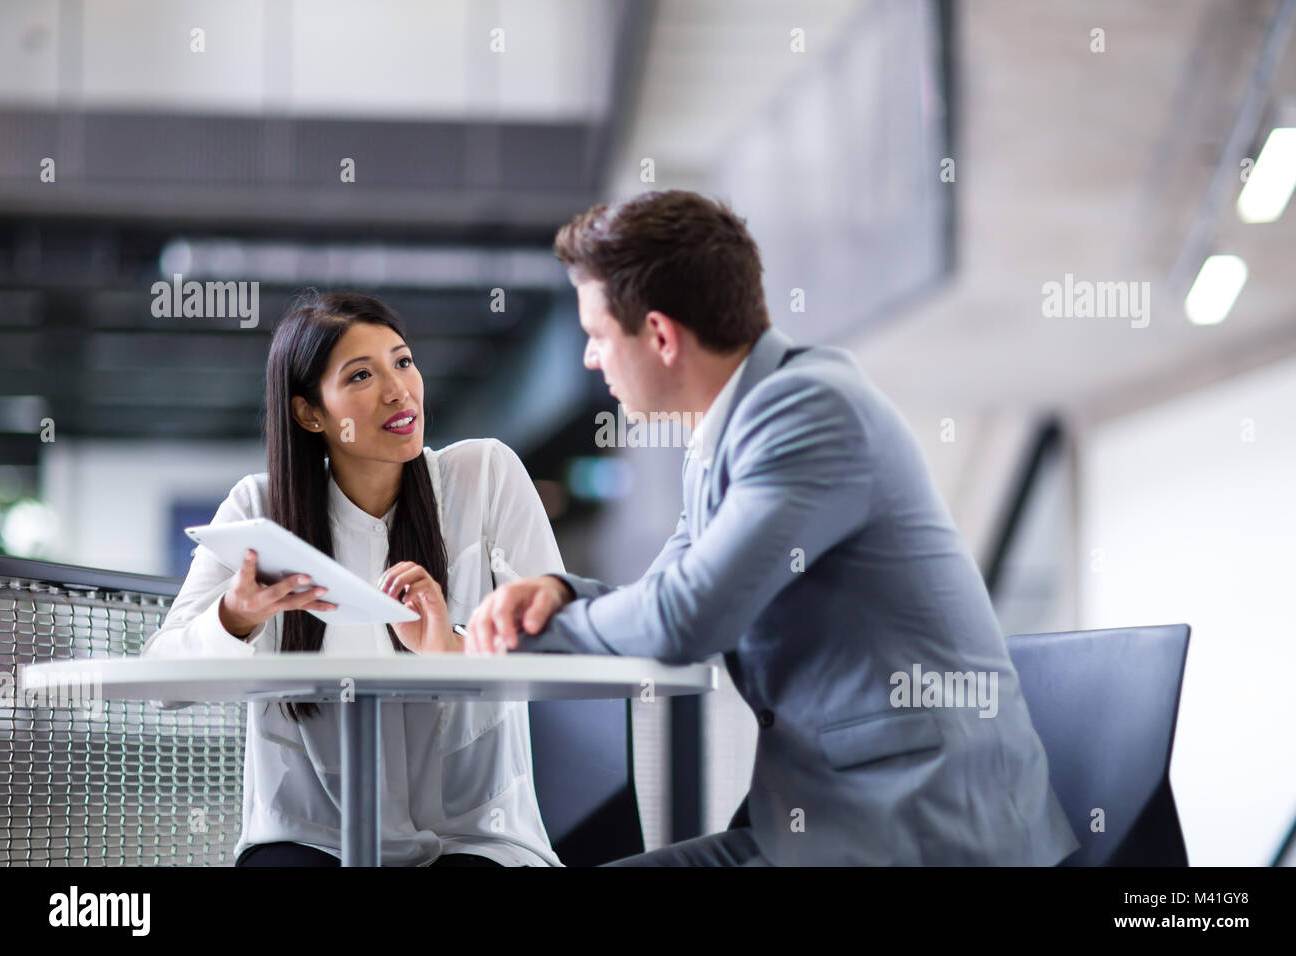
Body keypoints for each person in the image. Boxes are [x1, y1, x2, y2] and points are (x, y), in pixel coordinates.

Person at [464, 189, 1083, 866]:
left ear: (663, 337)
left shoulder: (808, 412)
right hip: (826, 822)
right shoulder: (734, 428)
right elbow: (666, 590)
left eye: (597, 335)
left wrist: (533, 638)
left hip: (922, 832)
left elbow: (684, 620)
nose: (589, 359)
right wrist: (560, 593)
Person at [142, 291, 563, 867]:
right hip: (307, 833)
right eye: (362, 375)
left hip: (473, 835)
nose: (398, 390)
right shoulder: (258, 510)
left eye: (404, 362)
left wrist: (451, 648)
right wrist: (234, 617)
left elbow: (559, 645)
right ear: (310, 413)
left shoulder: (484, 474)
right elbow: (162, 682)